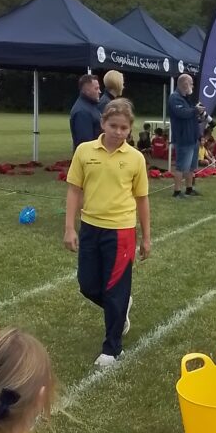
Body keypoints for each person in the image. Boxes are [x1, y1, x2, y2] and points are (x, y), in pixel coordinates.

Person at [64, 99, 151, 367]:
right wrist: (70, 227)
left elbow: (142, 199)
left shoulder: (136, 158)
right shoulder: (84, 151)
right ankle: (121, 308)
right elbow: (74, 190)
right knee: (87, 285)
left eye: (124, 127)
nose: (118, 131)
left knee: (115, 289)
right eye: (113, 125)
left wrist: (146, 237)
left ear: (130, 129)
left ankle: (112, 349)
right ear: (103, 123)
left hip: (122, 231)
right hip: (90, 227)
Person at [169, 73, 206, 199]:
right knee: (181, 166)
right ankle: (177, 191)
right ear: (184, 84)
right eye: (191, 83)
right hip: (183, 138)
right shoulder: (175, 98)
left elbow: (193, 118)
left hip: (192, 137)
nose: (192, 86)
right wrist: (195, 110)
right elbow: (182, 113)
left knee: (191, 167)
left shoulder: (187, 98)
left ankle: (189, 189)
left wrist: (200, 134)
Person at [69, 75, 102, 151]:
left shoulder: (91, 106)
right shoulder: (82, 112)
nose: (99, 91)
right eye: (96, 88)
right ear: (87, 90)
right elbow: (85, 143)